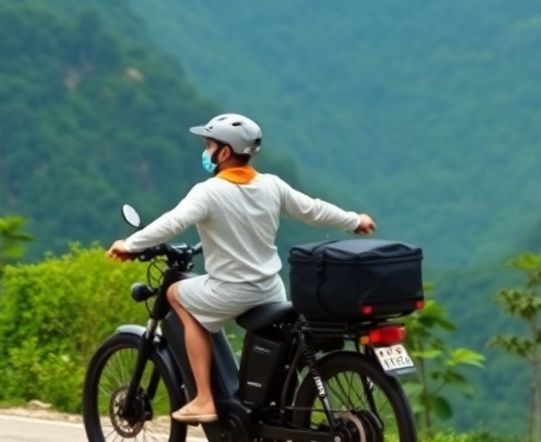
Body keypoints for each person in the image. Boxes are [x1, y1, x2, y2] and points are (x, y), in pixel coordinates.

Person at [107, 113, 376, 424]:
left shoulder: (208, 192)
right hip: (271, 290)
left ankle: (205, 399)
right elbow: (313, 210)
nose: (206, 152)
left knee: (175, 294)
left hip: (231, 291)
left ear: (223, 153)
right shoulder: (272, 186)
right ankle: (274, 405)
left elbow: (173, 222)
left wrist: (130, 244)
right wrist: (354, 220)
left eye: (209, 145)